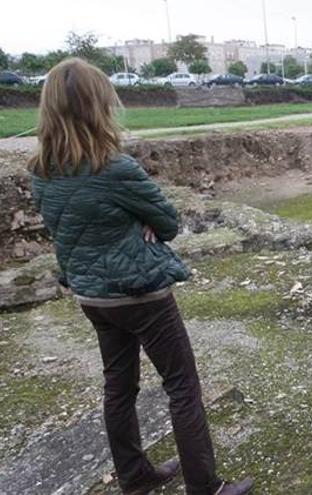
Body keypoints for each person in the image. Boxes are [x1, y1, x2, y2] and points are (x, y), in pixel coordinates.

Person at [28, 58, 254, 495]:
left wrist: (127, 223)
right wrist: (141, 224)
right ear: (99, 105)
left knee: (119, 386)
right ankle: (205, 488)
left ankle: (135, 477)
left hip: (93, 296)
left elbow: (75, 225)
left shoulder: (42, 172)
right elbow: (168, 222)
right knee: (183, 387)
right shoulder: (115, 168)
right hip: (141, 296)